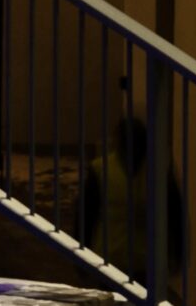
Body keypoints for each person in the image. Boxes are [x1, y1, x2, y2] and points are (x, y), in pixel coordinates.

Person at [78, 111, 186, 283]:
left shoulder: (158, 171)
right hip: (113, 262)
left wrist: (178, 254)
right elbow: (86, 215)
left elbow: (174, 216)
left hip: (140, 264)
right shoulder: (102, 170)